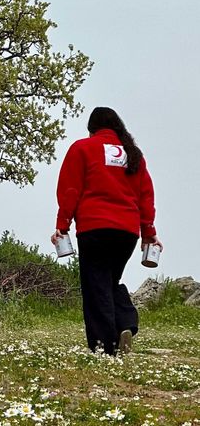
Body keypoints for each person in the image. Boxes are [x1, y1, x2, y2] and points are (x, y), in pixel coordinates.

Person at [51, 107, 162, 356]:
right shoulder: (133, 155)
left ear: (92, 129)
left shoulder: (83, 148)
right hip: (127, 232)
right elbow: (146, 196)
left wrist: (62, 226)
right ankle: (125, 324)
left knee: (95, 285)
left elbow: (70, 190)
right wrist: (149, 231)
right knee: (109, 281)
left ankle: (105, 347)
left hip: (95, 227)